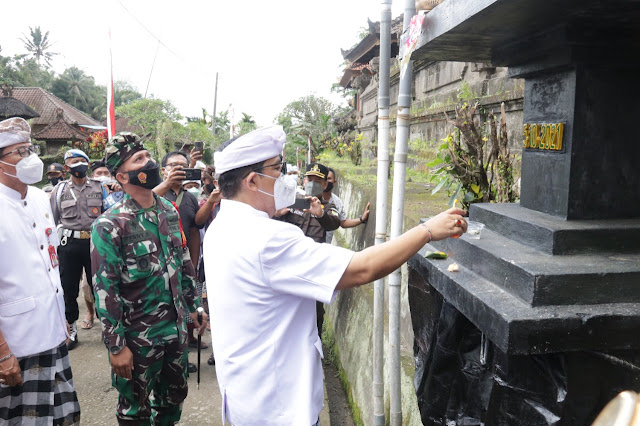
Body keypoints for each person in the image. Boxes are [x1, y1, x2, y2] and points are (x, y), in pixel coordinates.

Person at [203, 125, 467, 425]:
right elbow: (361, 268)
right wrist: (427, 231)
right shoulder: (266, 239)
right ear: (252, 180)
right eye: (279, 168)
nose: (286, 177)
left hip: (245, 398)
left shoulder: (220, 228)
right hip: (278, 409)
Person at [91, 132, 207, 425]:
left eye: (147, 155)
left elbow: (183, 264)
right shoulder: (110, 224)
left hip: (175, 329)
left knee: (173, 399)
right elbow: (106, 289)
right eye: (139, 159)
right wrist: (116, 346)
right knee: (134, 409)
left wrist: (195, 307)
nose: (150, 161)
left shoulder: (168, 210)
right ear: (123, 176)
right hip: (137, 336)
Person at [0, 117, 80, 425]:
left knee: (62, 416)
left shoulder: (37, 197)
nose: (29, 157)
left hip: (52, 329)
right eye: (19, 152)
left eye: (30, 148)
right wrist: (3, 353)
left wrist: (61, 326)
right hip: (17, 343)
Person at [274, 162, 341, 335]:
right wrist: (278, 213)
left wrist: (319, 213)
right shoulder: (292, 200)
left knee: (314, 312)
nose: (312, 183)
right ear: (303, 181)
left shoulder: (328, 207)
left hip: (313, 269)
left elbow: (334, 223)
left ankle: (314, 350)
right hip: (286, 264)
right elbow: (271, 219)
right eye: (309, 178)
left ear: (325, 184)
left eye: (318, 180)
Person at [50, 148, 107, 349]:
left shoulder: (101, 187)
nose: (78, 165)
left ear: (88, 164)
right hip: (69, 244)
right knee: (68, 288)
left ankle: (106, 327)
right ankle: (71, 329)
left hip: (95, 243)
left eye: (82, 161)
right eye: (73, 162)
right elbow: (54, 218)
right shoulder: (59, 191)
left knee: (100, 286)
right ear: (66, 167)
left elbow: (108, 214)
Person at [154, 151, 208, 361]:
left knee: (190, 302)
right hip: (160, 262)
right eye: (173, 165)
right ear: (163, 170)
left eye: (183, 166)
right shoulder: (155, 194)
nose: (179, 169)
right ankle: (173, 350)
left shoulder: (190, 197)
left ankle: (189, 341)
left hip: (184, 260)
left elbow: (195, 230)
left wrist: (193, 263)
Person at [322, 167, 371, 244]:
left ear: (334, 182)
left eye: (329, 179)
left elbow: (343, 222)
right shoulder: (313, 198)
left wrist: (362, 219)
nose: (326, 182)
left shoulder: (337, 202)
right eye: (324, 178)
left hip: (325, 246)